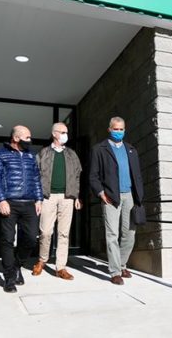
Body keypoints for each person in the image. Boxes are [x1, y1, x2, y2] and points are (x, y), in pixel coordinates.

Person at [89, 117, 144, 285]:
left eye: (121, 129)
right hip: (110, 197)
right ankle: (115, 271)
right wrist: (101, 194)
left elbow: (137, 175)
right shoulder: (99, 149)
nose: (118, 132)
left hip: (130, 196)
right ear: (109, 129)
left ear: (125, 130)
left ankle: (121, 264)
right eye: (116, 129)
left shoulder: (131, 150)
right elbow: (93, 176)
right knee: (112, 234)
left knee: (130, 234)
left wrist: (138, 196)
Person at [0, 125, 43, 293]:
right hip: (9, 203)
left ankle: (17, 265)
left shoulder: (31, 156)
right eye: (27, 137)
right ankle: (9, 277)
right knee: (7, 239)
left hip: (29, 203)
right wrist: (1, 200)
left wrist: (39, 199)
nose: (30, 140)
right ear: (16, 138)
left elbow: (36, 179)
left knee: (31, 238)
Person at [33, 122, 82, 280]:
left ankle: (61, 267)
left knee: (64, 233)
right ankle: (42, 260)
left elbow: (77, 176)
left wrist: (76, 196)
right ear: (54, 133)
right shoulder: (44, 153)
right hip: (48, 197)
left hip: (67, 197)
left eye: (66, 132)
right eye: (62, 132)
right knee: (45, 232)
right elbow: (35, 175)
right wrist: (37, 198)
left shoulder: (72, 154)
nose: (65, 135)